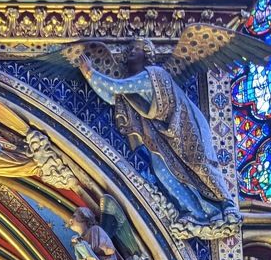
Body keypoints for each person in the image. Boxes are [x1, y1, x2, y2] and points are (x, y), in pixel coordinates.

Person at [78, 44, 237, 226]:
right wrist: (92, 77)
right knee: (162, 171)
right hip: (159, 136)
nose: (129, 52)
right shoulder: (130, 88)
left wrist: (91, 73)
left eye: (135, 49)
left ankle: (226, 203)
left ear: (147, 54)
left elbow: (117, 87)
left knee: (200, 163)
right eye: (129, 50)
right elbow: (110, 95)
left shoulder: (153, 75)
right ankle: (194, 212)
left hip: (183, 126)